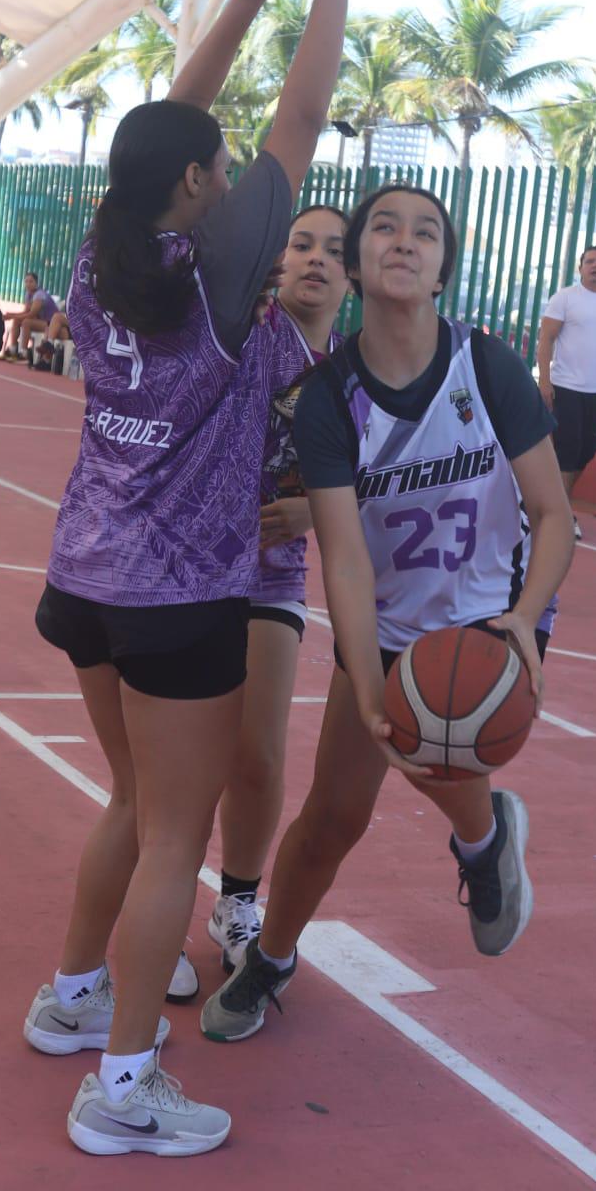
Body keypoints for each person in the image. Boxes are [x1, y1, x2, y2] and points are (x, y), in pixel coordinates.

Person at [24, 0, 355, 1157]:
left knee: (124, 800)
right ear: (207, 187)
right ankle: (121, 1082)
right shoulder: (223, 269)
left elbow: (165, 131)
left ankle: (70, 995)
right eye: (215, 168)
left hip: (83, 576)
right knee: (175, 833)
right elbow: (305, 109)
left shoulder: (104, 246)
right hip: (178, 598)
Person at [199, 184, 574, 1044]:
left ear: (445, 267)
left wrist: (524, 619)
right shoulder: (331, 395)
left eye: (426, 233)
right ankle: (274, 955)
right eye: (384, 229)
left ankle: (481, 843)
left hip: (489, 615)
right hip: (394, 619)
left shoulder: (491, 366)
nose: (404, 242)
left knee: (443, 736)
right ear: (361, 262)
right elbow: (346, 556)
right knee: (333, 816)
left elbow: (555, 516)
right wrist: (369, 689)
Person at [206, 204, 349, 974]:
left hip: (272, 570)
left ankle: (236, 901)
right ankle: (153, 898)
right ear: (277, 258)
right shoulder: (247, 334)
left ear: (352, 274)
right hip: (194, 562)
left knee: (259, 753)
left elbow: (372, 487)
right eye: (301, 244)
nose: (317, 259)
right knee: (189, 758)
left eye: (334, 249)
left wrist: (316, 510)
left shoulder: (355, 376)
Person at [535, 245, 596, 540]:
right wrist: (545, 380)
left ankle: (553, 505)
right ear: (580, 268)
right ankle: (564, 514)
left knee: (587, 451)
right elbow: (546, 340)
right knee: (567, 450)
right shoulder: (564, 298)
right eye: (589, 261)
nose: (594, 265)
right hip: (566, 388)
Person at [1, 272, 61, 359]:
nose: (28, 284)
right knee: (17, 320)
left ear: (36, 283)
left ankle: (23, 352)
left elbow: (31, 314)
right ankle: (13, 349)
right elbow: (25, 312)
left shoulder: (39, 295)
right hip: (41, 321)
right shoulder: (28, 294)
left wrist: (11, 316)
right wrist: (11, 315)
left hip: (50, 324)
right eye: (26, 281)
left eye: (31, 281)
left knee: (26, 322)